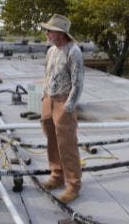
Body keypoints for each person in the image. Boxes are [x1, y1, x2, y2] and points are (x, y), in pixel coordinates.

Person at [40, 14, 84, 203]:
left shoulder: (73, 51)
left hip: (64, 102)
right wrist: (44, 96)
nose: (47, 33)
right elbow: (47, 74)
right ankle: (57, 175)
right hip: (49, 99)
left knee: (67, 143)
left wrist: (68, 107)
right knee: (51, 139)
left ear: (60, 33)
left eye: (50, 30)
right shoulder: (51, 51)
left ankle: (73, 185)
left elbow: (78, 83)